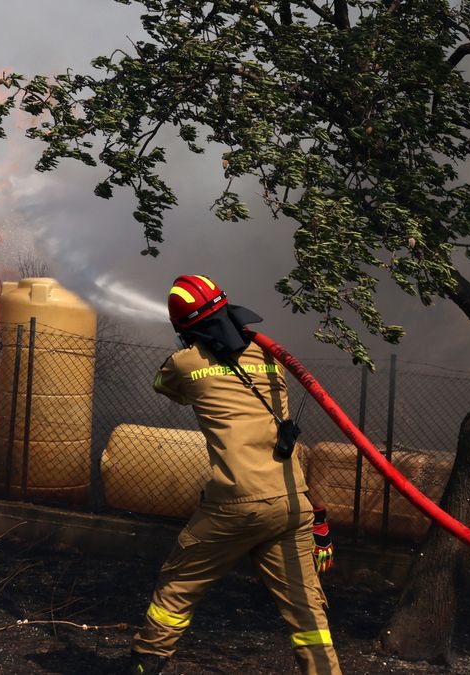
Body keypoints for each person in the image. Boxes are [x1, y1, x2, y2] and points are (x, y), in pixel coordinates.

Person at [128, 274, 341, 675]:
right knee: (308, 613)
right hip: (293, 502)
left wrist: (191, 348)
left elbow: (165, 386)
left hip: (235, 504)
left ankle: (145, 666)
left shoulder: (184, 363)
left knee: (175, 590)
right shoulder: (270, 359)